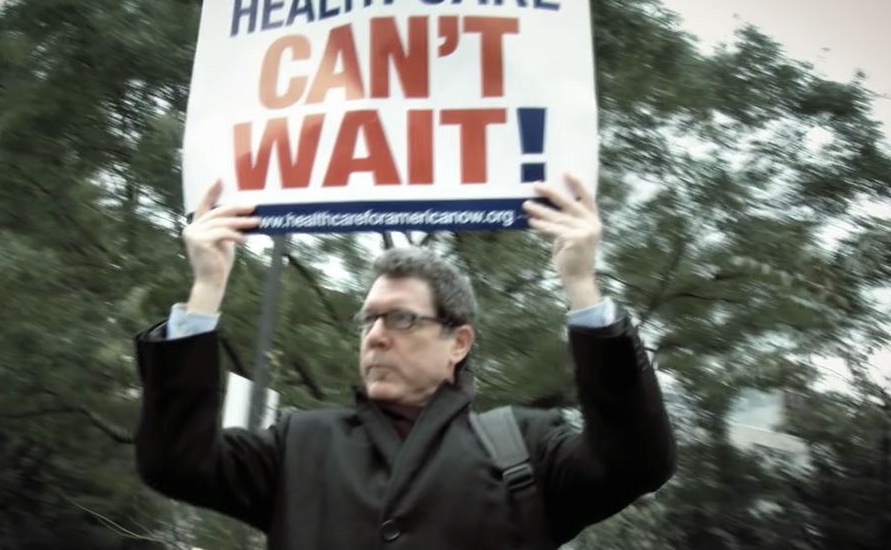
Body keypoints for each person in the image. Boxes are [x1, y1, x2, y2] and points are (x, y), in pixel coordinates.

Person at [133, 172, 676, 550]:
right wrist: (206, 289)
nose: (374, 337)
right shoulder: (297, 444)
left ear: (458, 342)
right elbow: (176, 463)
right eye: (368, 320)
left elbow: (636, 463)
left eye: (401, 319)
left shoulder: (527, 448)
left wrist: (581, 284)